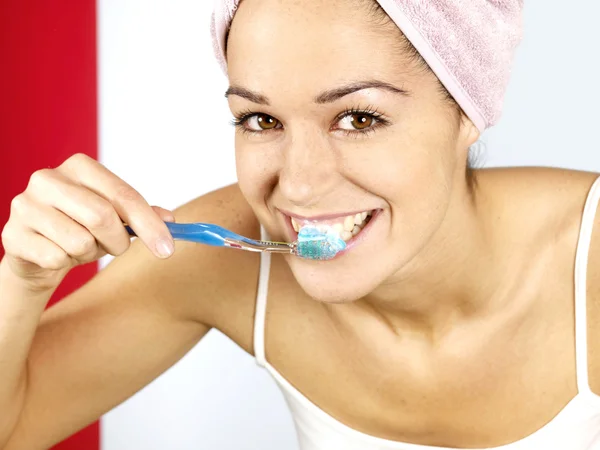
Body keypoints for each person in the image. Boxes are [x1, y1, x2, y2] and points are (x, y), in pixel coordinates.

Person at [1, 0, 600, 448]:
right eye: (260, 120)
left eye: (359, 118)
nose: (301, 186)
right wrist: (22, 281)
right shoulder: (218, 252)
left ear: (470, 108)